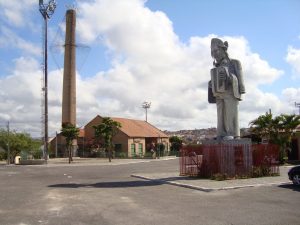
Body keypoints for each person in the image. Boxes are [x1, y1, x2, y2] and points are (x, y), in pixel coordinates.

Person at [208, 38, 245, 140]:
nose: (214, 54)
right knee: (220, 113)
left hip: (231, 92)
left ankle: (232, 133)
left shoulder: (235, 63)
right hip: (219, 94)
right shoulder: (217, 66)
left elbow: (240, 80)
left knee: (229, 112)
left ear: (223, 49)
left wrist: (229, 77)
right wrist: (211, 84)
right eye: (212, 52)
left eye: (216, 51)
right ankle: (221, 133)